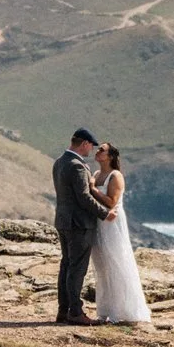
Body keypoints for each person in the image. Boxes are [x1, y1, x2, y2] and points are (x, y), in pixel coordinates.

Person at [89, 142, 152, 325]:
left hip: (112, 223)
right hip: (98, 224)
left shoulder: (115, 176)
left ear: (110, 156)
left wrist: (93, 189)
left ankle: (122, 311)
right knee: (101, 267)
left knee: (116, 262)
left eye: (102, 150)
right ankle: (104, 310)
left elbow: (111, 202)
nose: (98, 151)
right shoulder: (96, 174)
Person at [51, 127, 103, 325]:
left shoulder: (59, 162)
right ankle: (75, 311)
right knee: (76, 268)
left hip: (63, 221)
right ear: (84, 144)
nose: (91, 150)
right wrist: (105, 214)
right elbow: (83, 197)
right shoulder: (77, 166)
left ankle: (63, 310)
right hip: (79, 223)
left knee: (66, 265)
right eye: (90, 146)